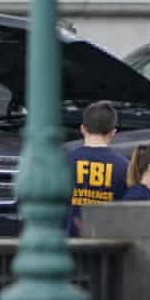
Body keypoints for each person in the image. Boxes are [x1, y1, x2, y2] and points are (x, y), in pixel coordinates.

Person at [64, 101, 128, 236]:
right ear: (113, 133)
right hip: (107, 246)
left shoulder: (64, 163)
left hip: (68, 246)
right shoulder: (125, 167)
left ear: (82, 129)